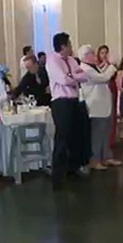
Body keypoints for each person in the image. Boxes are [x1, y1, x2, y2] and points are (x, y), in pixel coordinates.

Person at [46, 32, 88, 189]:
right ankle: (57, 175)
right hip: (61, 102)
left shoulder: (71, 60)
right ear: (63, 46)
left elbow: (84, 76)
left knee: (75, 135)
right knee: (62, 137)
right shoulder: (52, 60)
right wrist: (72, 78)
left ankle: (73, 168)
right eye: (69, 44)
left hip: (74, 100)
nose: (71, 47)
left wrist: (71, 76)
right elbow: (62, 79)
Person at [78, 44, 122, 170]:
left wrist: (107, 65)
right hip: (96, 105)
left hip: (103, 104)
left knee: (106, 132)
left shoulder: (92, 67)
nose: (94, 55)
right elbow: (102, 78)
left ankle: (106, 156)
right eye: (91, 53)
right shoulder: (85, 69)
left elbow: (102, 73)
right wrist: (112, 65)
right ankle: (95, 159)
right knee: (97, 134)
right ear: (85, 56)